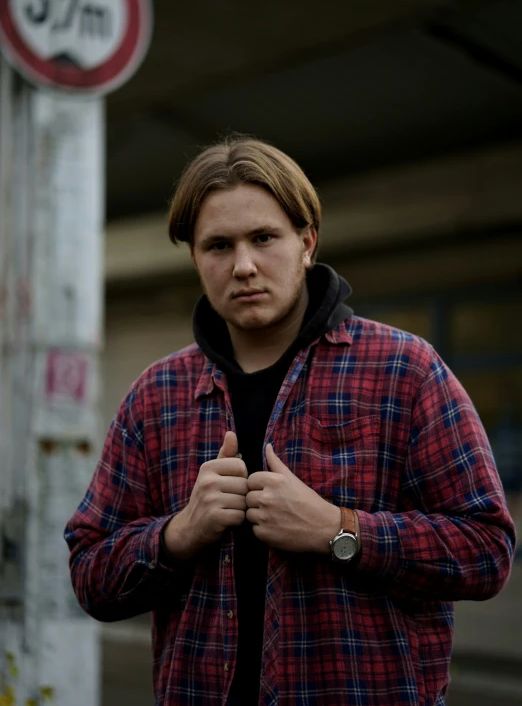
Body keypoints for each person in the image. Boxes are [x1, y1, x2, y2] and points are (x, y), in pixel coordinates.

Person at [65, 136, 515, 706]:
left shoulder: (405, 370)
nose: (244, 265)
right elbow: (90, 574)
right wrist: (179, 534)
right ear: (196, 259)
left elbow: (486, 550)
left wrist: (338, 529)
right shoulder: (156, 396)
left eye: (264, 238)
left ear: (306, 243)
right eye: (219, 246)